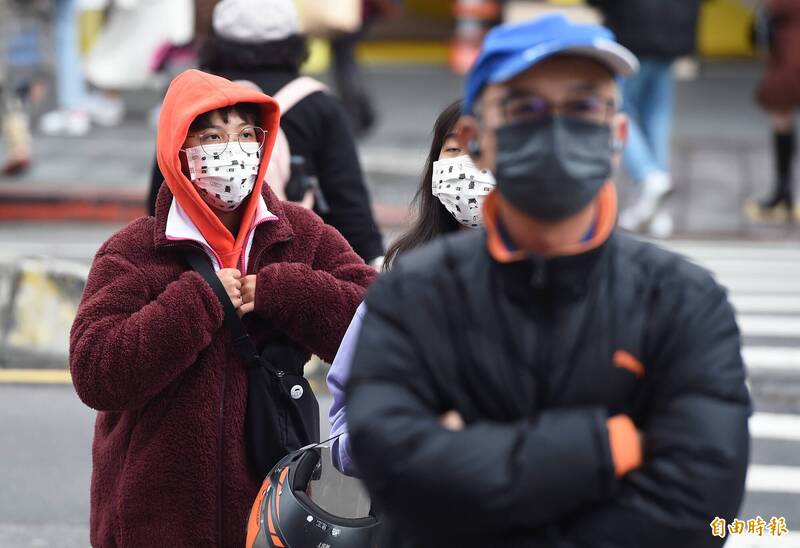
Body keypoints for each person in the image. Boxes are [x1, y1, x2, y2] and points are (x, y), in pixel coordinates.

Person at [345, 15, 750, 548]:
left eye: (583, 107)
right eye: (524, 109)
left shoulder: (683, 302)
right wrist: (607, 447)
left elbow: (696, 510)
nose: (556, 129)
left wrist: (469, 463)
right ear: (474, 139)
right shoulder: (412, 293)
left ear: (618, 134)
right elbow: (392, 470)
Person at [69, 69, 376, 547]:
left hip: (273, 519)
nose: (232, 151)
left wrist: (284, 292)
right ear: (179, 150)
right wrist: (196, 303)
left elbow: (375, 323)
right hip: (153, 526)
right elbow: (96, 370)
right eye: (212, 136)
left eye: (244, 135)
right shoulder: (131, 252)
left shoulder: (299, 234)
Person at [327, 99, 496, 475]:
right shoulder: (404, 281)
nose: (467, 163)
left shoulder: (558, 282)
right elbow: (343, 432)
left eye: (481, 148)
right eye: (453, 149)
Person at [149, 0, 385, 266]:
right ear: (293, 41)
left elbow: (163, 192)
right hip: (295, 264)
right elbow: (347, 200)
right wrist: (370, 262)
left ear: (217, 41)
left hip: (203, 262)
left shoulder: (192, 102)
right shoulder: (318, 105)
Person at [588, 0, 703, 235]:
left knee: (617, 110)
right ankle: (656, 210)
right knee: (657, 115)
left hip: (632, 31)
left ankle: (649, 176)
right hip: (671, 34)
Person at [746, 0, 800, 222]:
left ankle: (783, 190)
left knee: (780, 113)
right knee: (780, 113)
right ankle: (783, 191)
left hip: (790, 44)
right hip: (786, 43)